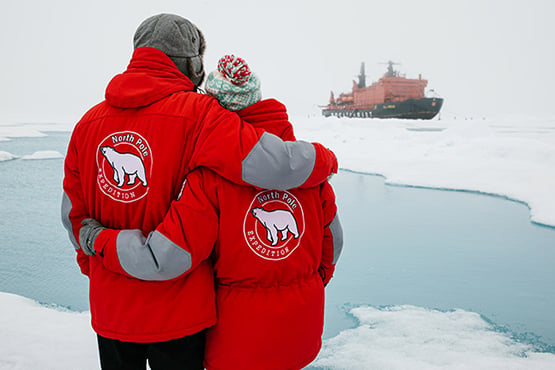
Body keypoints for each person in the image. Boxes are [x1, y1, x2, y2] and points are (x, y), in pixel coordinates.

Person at [61, 14, 338, 370]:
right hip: (181, 316)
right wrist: (323, 159)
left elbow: (74, 217)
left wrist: (98, 265)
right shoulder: (200, 115)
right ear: (192, 64)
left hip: (110, 310)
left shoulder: (87, 123)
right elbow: (272, 164)